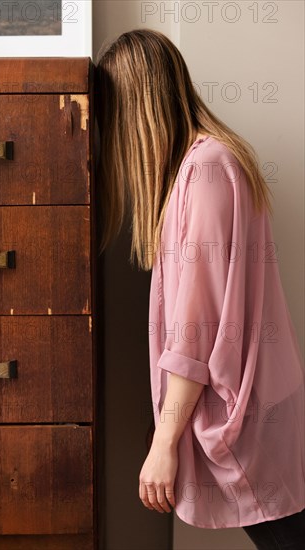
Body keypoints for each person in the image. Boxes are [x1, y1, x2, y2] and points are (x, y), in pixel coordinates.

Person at [94, 28, 305, 549]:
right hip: (255, 407)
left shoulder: (207, 172)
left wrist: (165, 441)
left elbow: (196, 330)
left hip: (248, 415)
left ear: (135, 106)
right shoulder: (201, 169)